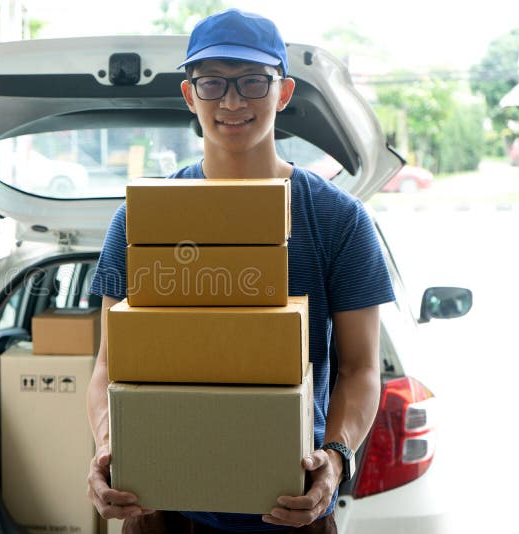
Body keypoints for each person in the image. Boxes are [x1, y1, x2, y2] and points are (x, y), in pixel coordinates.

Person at [86, 8, 395, 533]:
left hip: (292, 506)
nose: (232, 101)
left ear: (284, 92)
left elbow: (361, 368)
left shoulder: (337, 219)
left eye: (253, 81)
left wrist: (337, 459)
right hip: (163, 505)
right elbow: (108, 368)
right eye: (212, 83)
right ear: (190, 96)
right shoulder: (143, 218)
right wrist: (107, 445)